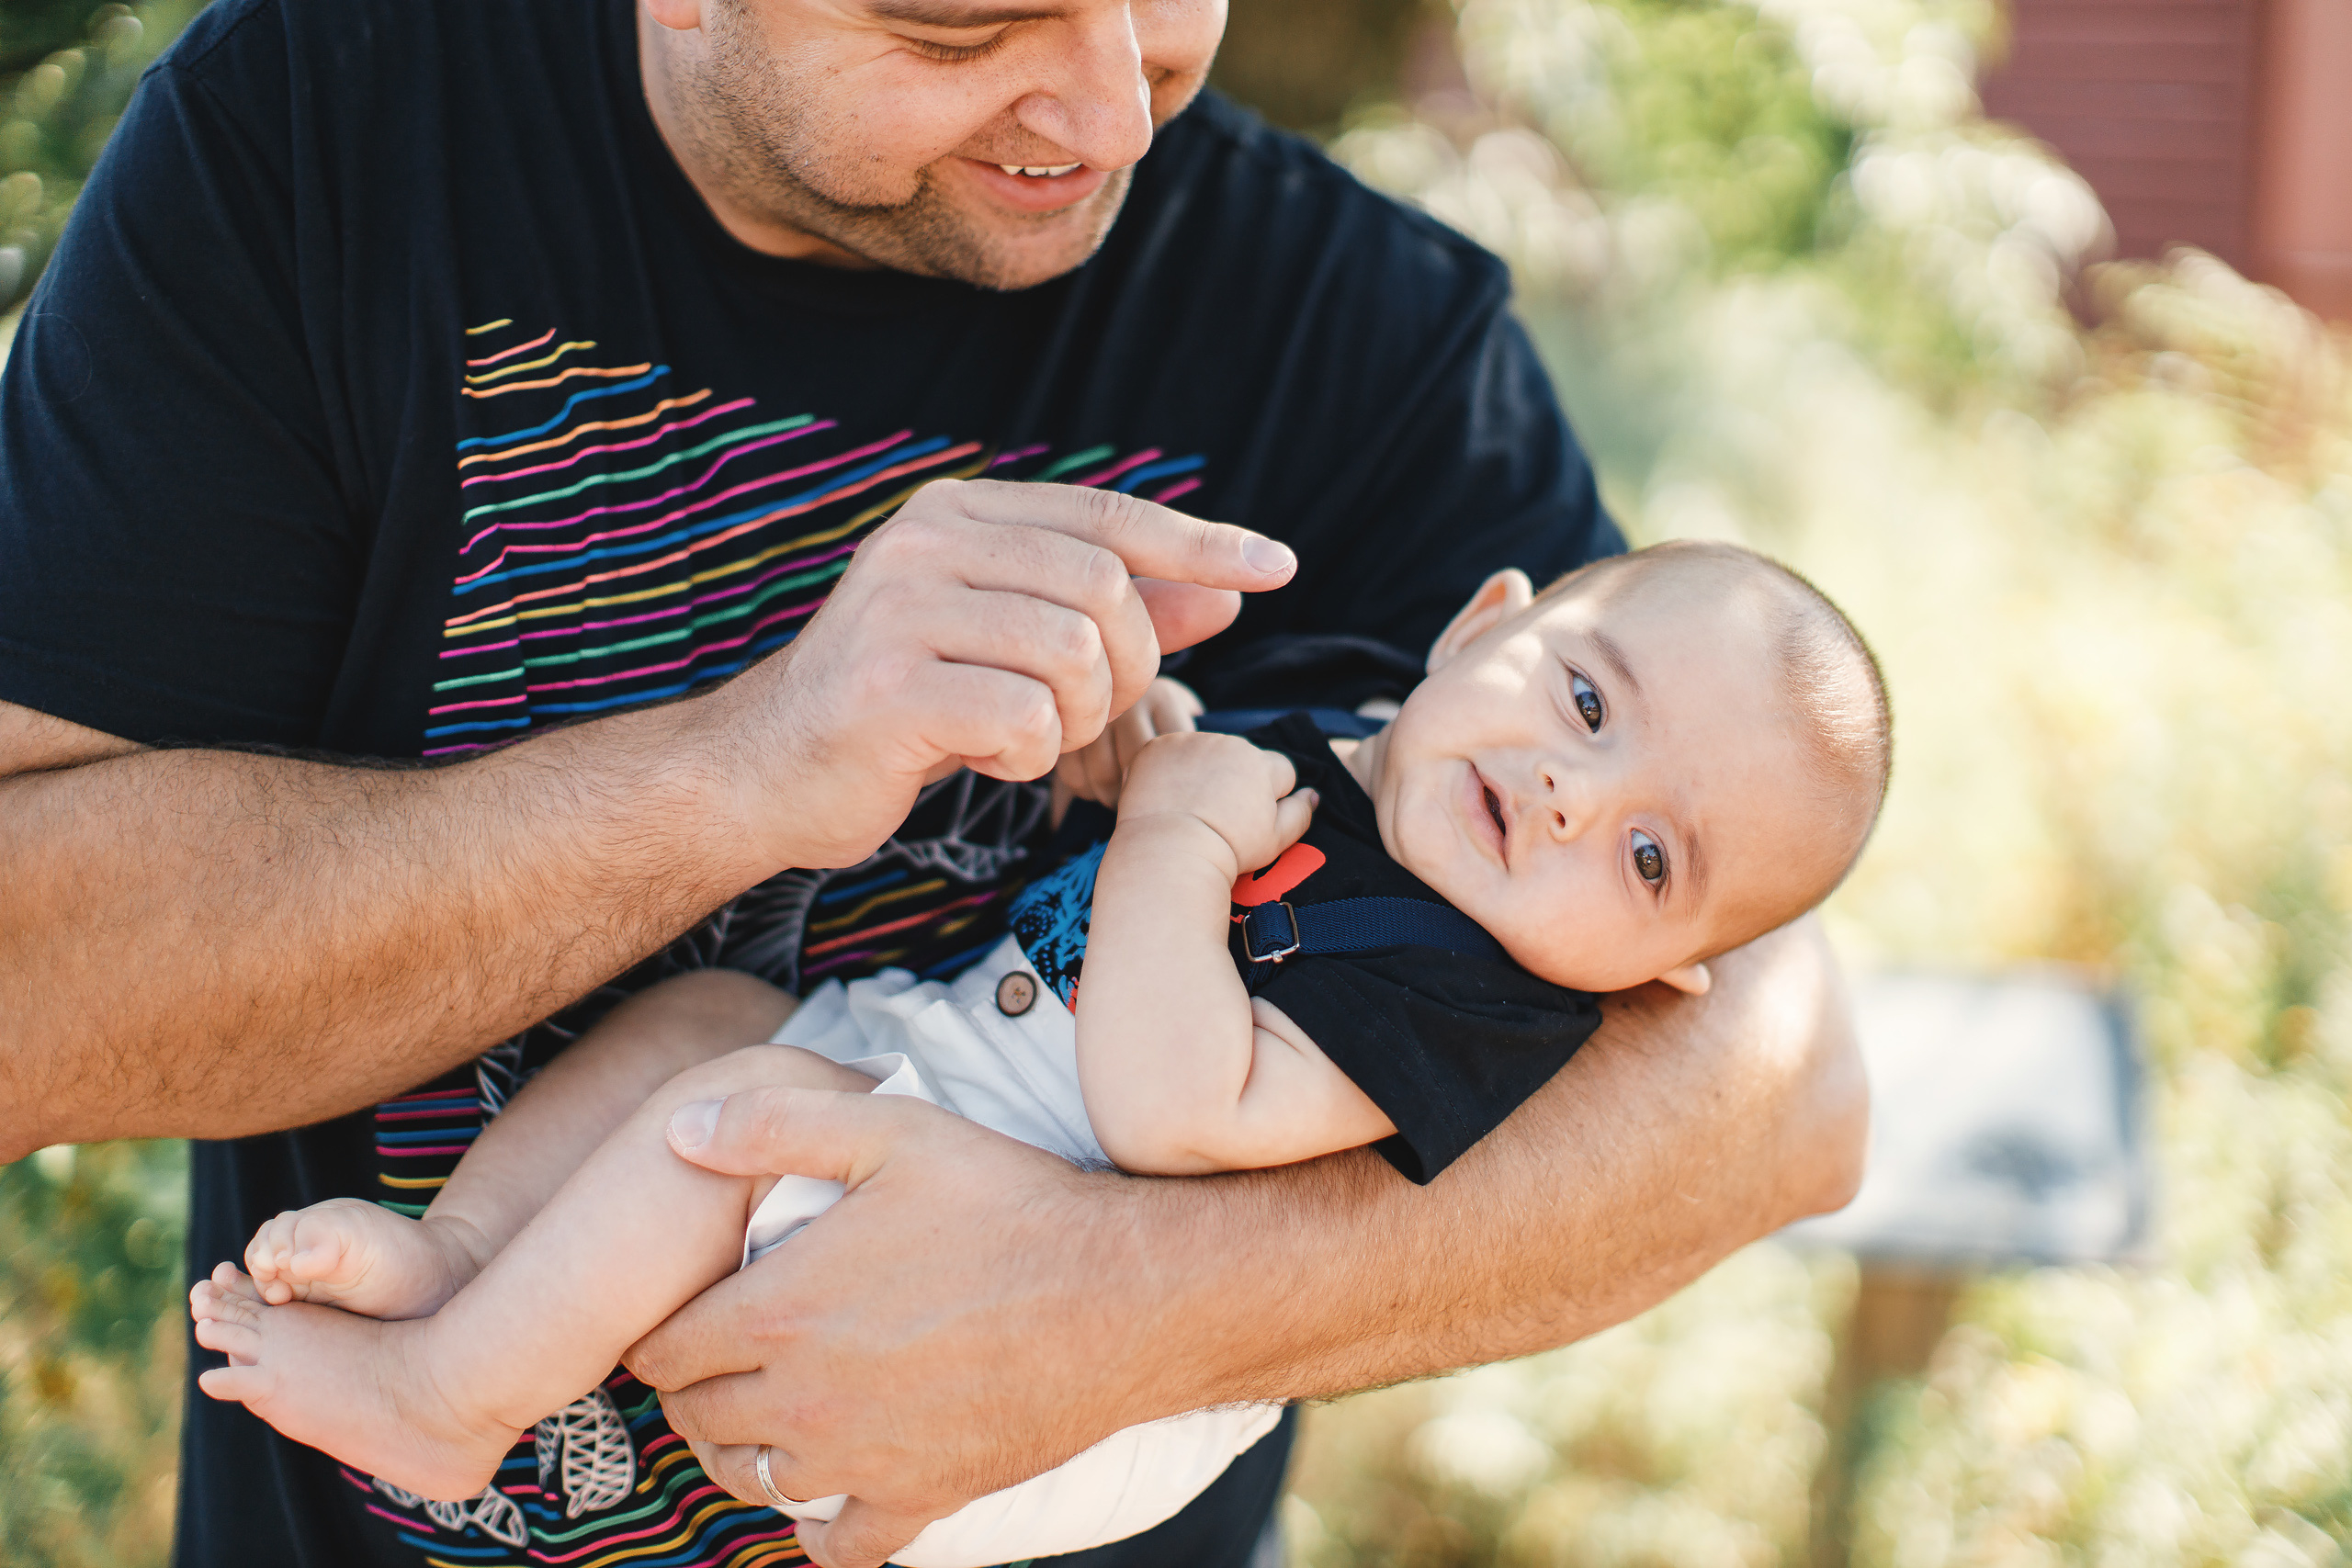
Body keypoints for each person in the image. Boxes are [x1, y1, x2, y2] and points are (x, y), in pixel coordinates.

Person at [0, 0, 1869, 1562]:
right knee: (714, 1070)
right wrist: (741, 765)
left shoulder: (1357, 339)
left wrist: (1117, 1300)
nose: (1100, 102)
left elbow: (1783, 1087)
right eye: (962, 21)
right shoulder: (320, 140)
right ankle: (459, 1320)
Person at [184, 542, 1890, 1566]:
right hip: (927, 1074)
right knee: (703, 1028)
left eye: (1652, 864)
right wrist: (1137, 764)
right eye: (1586, 702)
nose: (1580, 796)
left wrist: (1175, 840)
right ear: (1483, 627)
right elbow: (1168, 823)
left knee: (727, 1125)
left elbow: (1174, 1106)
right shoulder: (1361, 763)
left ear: (1673, 979)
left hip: (1037, 1316)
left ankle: (452, 1403)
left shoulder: (1471, 999)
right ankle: (468, 1261)